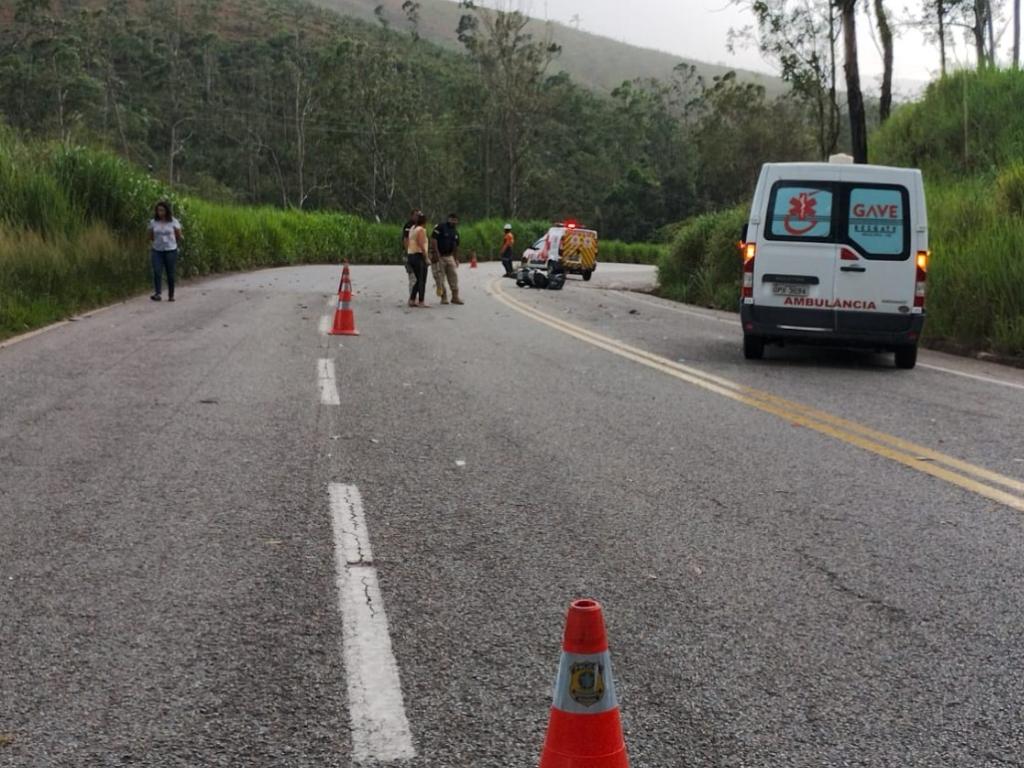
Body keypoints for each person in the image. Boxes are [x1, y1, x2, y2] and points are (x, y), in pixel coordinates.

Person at [148, 201, 182, 302]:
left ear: (167, 211)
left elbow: (178, 235)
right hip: (157, 250)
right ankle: (158, 293)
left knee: (170, 273)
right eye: (158, 210)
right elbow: (150, 235)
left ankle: (171, 294)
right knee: (157, 271)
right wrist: (157, 242)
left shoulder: (173, 222)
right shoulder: (153, 222)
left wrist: (172, 242)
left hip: (170, 250)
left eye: (162, 210)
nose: (160, 212)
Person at [430, 213, 463, 305]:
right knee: (440, 278)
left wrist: (456, 259)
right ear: (448, 219)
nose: (453, 221)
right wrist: (436, 253)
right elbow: (433, 239)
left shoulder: (455, 232)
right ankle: (443, 297)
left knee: (454, 277)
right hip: (440, 256)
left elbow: (456, 246)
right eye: (452, 219)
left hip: (449, 256)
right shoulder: (440, 227)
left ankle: (455, 297)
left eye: (455, 220)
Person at [406, 213, 430, 308]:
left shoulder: (412, 228)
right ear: (425, 221)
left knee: (417, 279)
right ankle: (421, 300)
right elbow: (421, 244)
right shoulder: (421, 230)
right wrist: (426, 257)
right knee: (422, 279)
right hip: (418, 255)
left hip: (411, 254)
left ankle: (412, 299)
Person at [401, 208, 421, 297]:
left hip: (418, 254)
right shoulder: (408, 226)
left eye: (419, 215)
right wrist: (408, 252)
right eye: (416, 215)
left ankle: (415, 296)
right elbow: (405, 240)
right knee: (412, 276)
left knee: (419, 277)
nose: (418, 217)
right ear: (412, 215)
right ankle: (412, 298)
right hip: (410, 254)